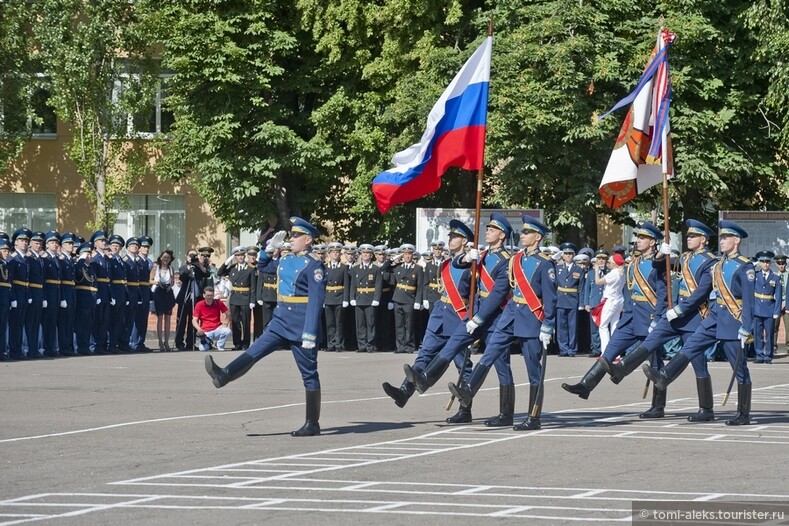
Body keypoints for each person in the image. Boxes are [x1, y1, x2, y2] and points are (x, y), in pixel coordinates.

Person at [205, 217, 327, 437]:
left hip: (301, 324)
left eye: (297, 235)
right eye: (292, 235)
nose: (292, 238)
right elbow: (263, 266)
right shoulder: (287, 259)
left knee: (309, 373)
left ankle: (312, 423)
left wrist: (310, 332)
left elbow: (316, 301)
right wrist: (267, 248)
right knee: (255, 350)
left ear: (308, 240)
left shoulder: (314, 265)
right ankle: (225, 375)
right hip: (280, 320)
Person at [441, 215, 556, 431]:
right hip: (511, 315)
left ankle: (534, 417)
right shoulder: (514, 260)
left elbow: (551, 297)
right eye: (522, 232)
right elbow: (504, 290)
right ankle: (468, 390)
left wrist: (548, 324)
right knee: (490, 352)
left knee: (533, 369)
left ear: (537, 237)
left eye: (526, 232)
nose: (522, 235)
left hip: (531, 318)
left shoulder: (545, 264)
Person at [643, 220, 755, 425]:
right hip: (714, 318)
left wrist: (747, 327)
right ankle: (664, 376)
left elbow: (749, 301)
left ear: (736, 241)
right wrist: (662, 254)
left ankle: (743, 413)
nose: (721, 241)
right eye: (721, 237)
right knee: (691, 347)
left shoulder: (744, 267)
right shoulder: (718, 264)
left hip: (732, 321)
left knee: (739, 368)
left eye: (725, 238)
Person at [560, 222, 667, 418]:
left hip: (648, 316)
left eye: (642, 238)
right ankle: (586, 385)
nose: (638, 240)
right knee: (608, 351)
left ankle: (658, 406)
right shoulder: (633, 263)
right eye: (638, 237)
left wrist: (658, 318)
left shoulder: (659, 263)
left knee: (655, 363)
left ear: (652, 242)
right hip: (631, 316)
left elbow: (663, 293)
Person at [382, 219, 475, 419]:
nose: (450, 239)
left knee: (462, 364)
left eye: (455, 236)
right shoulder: (447, 262)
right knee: (424, 354)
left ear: (464, 240)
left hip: (458, 315)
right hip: (440, 313)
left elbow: (475, 294)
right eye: (450, 236)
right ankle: (404, 391)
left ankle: (465, 409)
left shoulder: (471, 264)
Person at [217, 245, 254, 350]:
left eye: (242, 255)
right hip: (234, 297)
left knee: (246, 322)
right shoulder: (232, 268)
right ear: (235, 257)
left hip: (246, 297)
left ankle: (246, 343)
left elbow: (253, 287)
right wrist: (226, 262)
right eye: (238, 256)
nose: (240, 257)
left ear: (244, 256)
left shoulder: (250, 269)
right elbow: (219, 272)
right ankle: (237, 343)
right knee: (235, 322)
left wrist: (252, 300)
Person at [175, 248, 211, 350]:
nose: (193, 257)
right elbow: (182, 277)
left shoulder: (199, 268)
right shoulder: (183, 268)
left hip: (196, 299)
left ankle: (191, 342)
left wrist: (199, 264)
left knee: (194, 322)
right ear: (186, 257)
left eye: (195, 255)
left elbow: (207, 273)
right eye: (191, 255)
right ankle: (179, 343)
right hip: (185, 298)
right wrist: (188, 266)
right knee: (181, 322)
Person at [349, 244, 382, 353]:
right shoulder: (355, 269)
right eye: (364, 253)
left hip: (370, 298)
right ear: (361, 255)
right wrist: (352, 297)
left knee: (370, 323)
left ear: (371, 255)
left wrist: (376, 299)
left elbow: (378, 285)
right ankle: (361, 345)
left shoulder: (375, 269)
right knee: (360, 324)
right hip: (359, 297)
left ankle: (370, 345)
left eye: (368, 253)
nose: (366, 255)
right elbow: (353, 284)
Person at [752, 250, 782, 363]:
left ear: (770, 263)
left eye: (767, 262)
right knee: (757, 334)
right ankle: (759, 355)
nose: (765, 264)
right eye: (763, 261)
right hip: (757, 307)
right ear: (759, 262)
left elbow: (778, 296)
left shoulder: (775, 278)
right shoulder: (755, 275)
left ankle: (768, 355)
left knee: (769, 334)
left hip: (769, 308)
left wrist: (776, 311)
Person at [555, 243, 584, 357]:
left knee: (573, 326)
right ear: (563, 255)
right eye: (566, 254)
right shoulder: (558, 268)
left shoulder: (579, 269)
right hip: (560, 299)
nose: (568, 256)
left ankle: (572, 349)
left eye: (570, 254)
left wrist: (581, 302)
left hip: (573, 300)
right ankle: (563, 348)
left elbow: (581, 287)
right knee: (561, 326)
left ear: (574, 255)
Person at [596, 252, 626, 353]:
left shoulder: (614, 273)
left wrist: (596, 270)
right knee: (614, 326)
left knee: (603, 326)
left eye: (610, 261)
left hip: (610, 300)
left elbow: (598, 282)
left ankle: (606, 352)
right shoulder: (621, 272)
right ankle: (615, 353)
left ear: (614, 263)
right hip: (618, 300)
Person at [323, 242, 349, 352]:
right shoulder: (324, 267)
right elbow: (322, 285)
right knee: (330, 323)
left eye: (337, 252)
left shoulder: (343, 268)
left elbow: (347, 284)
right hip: (328, 297)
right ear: (329, 254)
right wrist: (322, 299)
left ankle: (339, 343)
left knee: (339, 322)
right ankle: (331, 343)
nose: (335, 254)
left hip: (339, 297)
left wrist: (345, 299)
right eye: (333, 252)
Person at [583, 250, 608, 357]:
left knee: (605, 327)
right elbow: (586, 289)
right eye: (599, 259)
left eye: (603, 259)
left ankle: (606, 349)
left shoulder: (610, 272)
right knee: (594, 328)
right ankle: (596, 349)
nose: (601, 261)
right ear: (596, 260)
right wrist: (586, 303)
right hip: (594, 304)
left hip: (606, 303)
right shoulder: (591, 274)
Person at [151, 249, 176, 351]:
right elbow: (149, 280)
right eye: (164, 257)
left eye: (168, 258)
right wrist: (157, 283)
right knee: (160, 317)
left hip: (167, 292)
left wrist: (170, 286)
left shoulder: (171, 269)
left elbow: (173, 281)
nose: (166, 259)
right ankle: (160, 341)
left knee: (168, 317)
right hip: (158, 292)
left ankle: (166, 341)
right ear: (161, 258)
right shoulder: (156, 268)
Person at [192, 285, 232, 351]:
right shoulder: (199, 305)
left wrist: (225, 323)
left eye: (211, 295)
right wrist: (199, 329)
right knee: (202, 349)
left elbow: (228, 313)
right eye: (208, 295)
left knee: (227, 331)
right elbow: (194, 320)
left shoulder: (218, 302)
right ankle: (208, 344)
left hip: (217, 328)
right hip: (205, 331)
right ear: (204, 295)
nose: (210, 297)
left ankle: (219, 345)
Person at [775, 255, 788, 353]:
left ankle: (788, 346)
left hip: (787, 304)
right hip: (776, 304)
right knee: (774, 326)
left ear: (786, 264)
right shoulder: (774, 275)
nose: (781, 266)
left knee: (788, 327)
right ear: (776, 265)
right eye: (779, 264)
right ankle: (774, 346)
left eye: (783, 264)